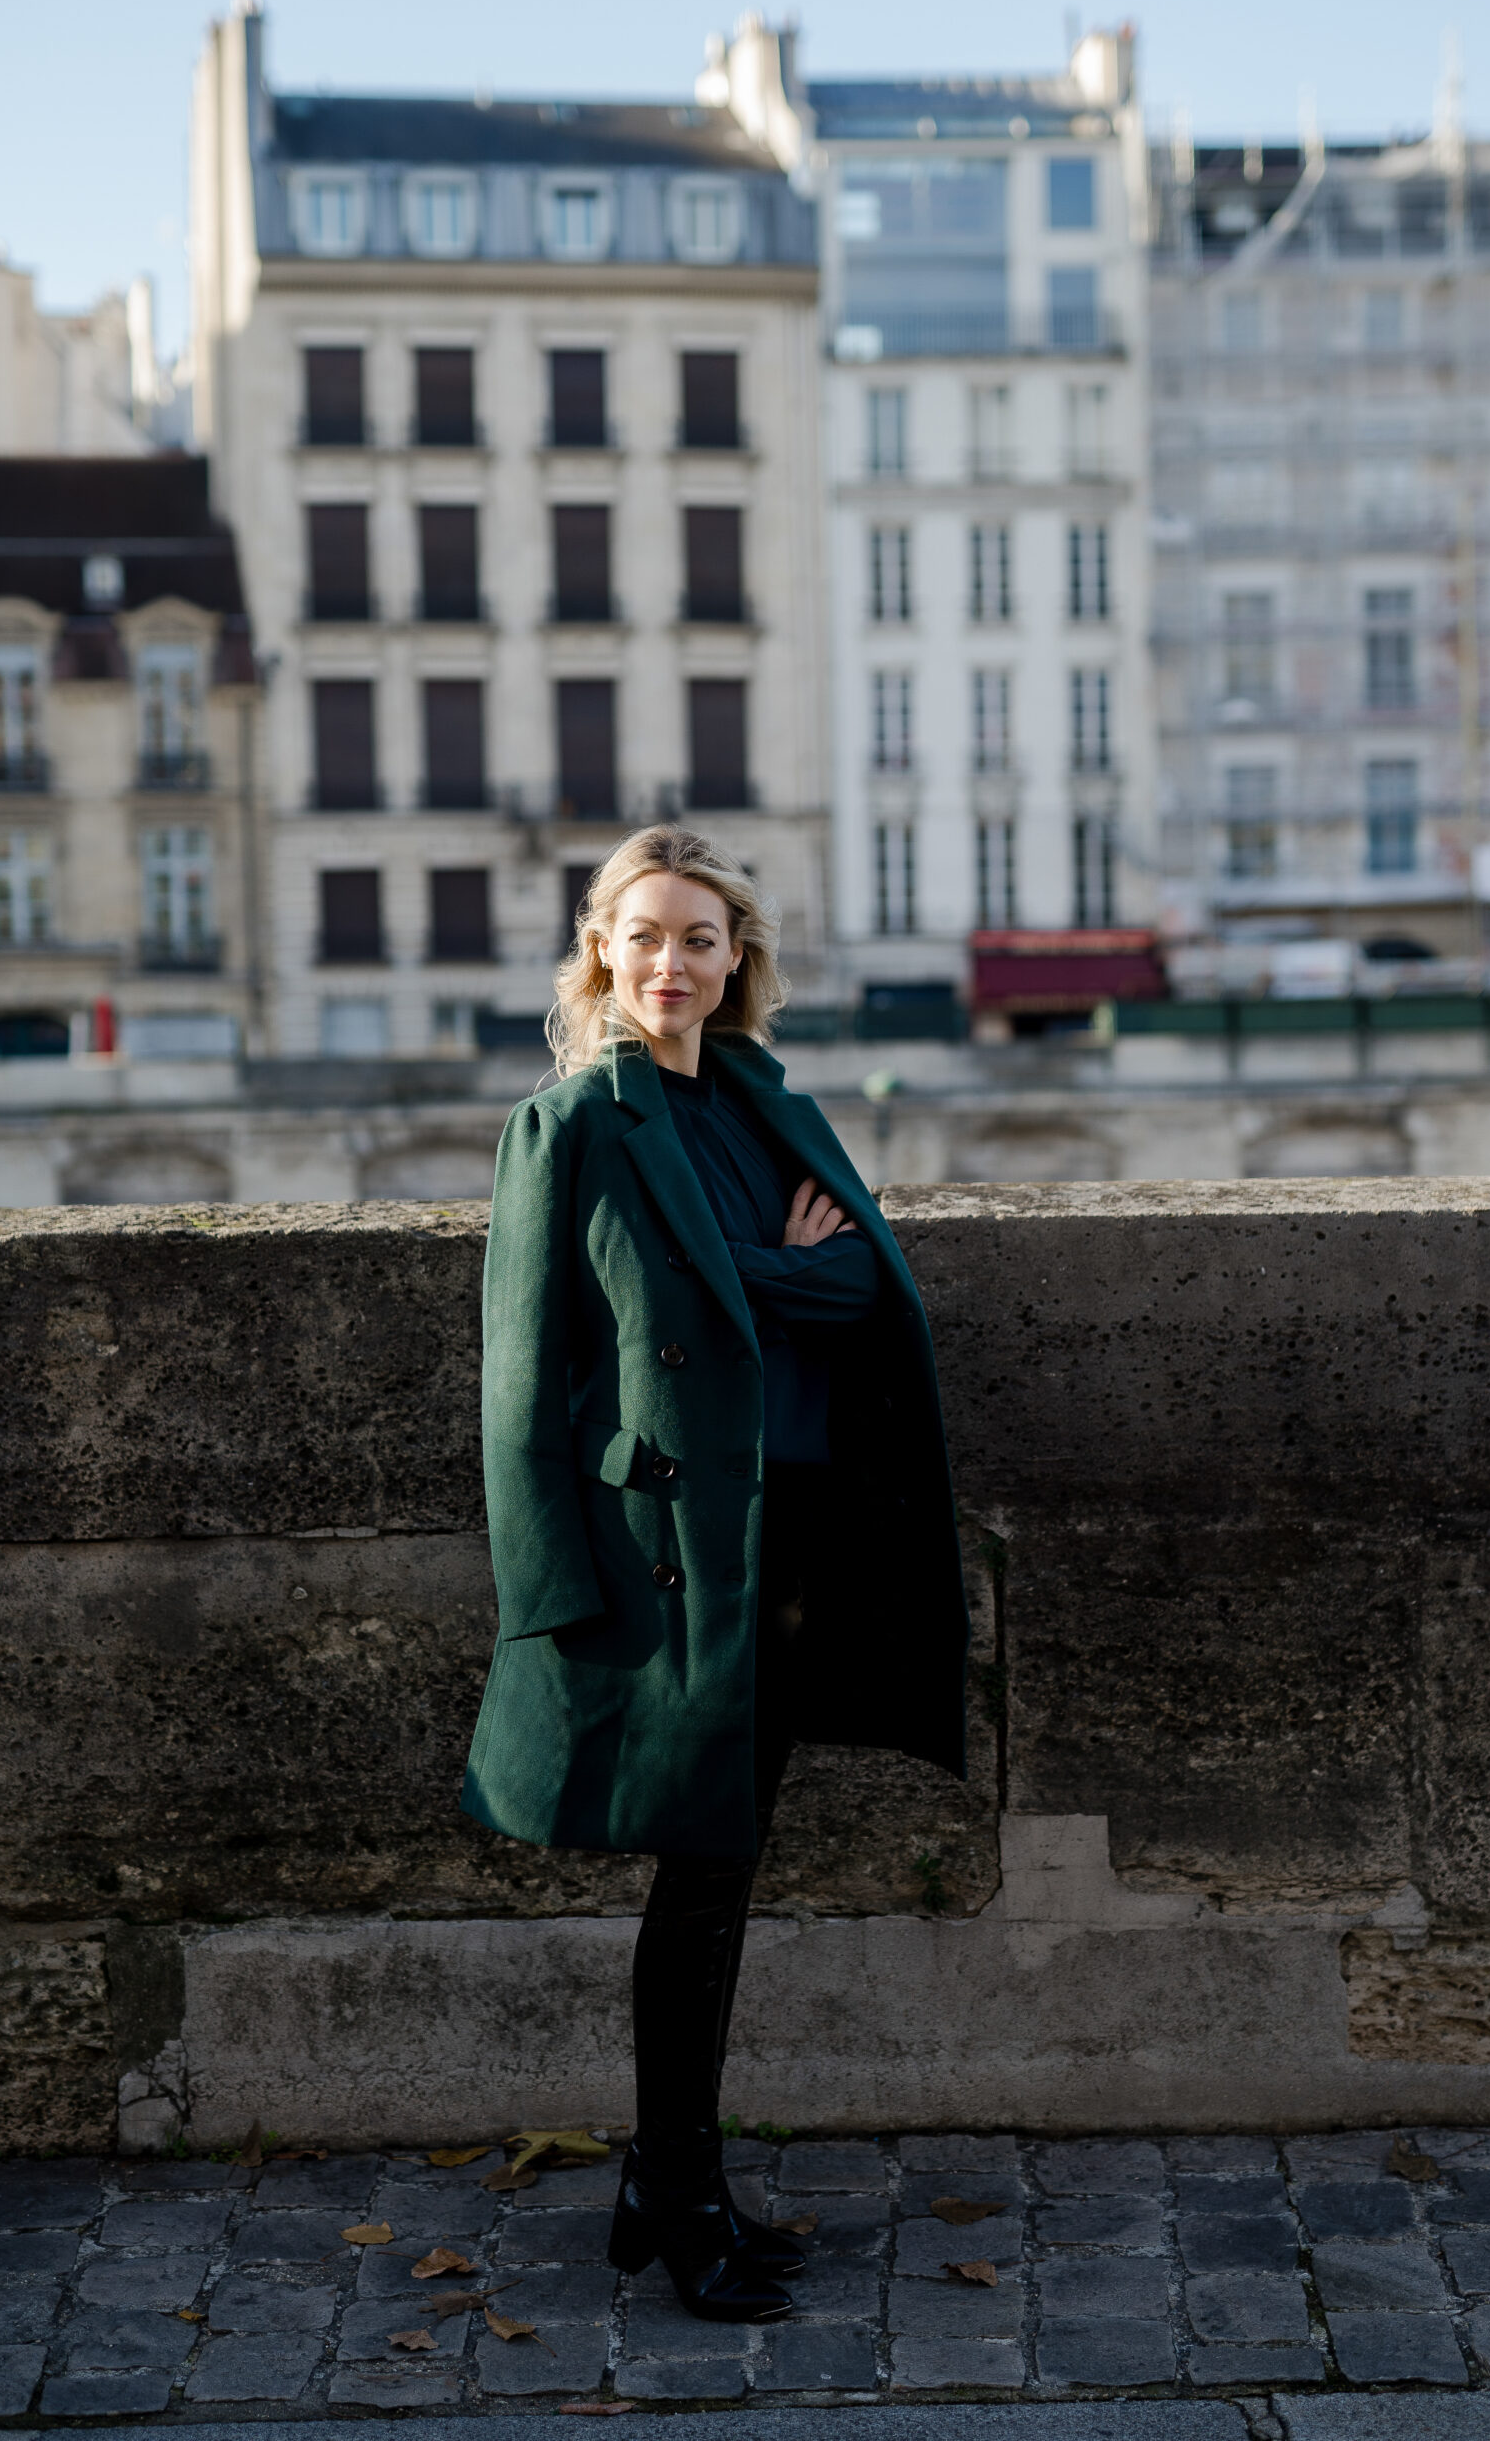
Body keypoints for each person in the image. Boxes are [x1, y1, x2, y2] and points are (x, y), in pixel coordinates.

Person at [462, 826, 967, 2323]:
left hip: (799, 1539)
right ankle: (676, 2193)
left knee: (727, 1870)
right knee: (700, 1877)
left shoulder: (760, 1101)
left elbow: (868, 1280)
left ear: (734, 958)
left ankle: (672, 2178)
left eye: (701, 938)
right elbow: (525, 1384)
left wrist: (763, 1273)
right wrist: (549, 1597)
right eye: (645, 935)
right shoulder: (571, 1127)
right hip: (674, 1555)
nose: (672, 964)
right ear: (601, 953)